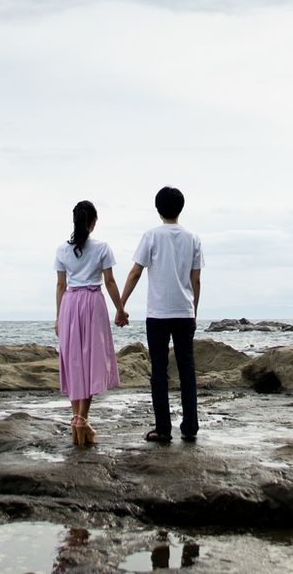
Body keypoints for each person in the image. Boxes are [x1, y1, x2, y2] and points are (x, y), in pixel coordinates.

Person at [119, 185, 203, 443]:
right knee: (187, 369)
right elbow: (196, 279)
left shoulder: (152, 236)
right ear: (180, 208)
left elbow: (135, 272)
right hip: (184, 311)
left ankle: (163, 429)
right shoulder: (193, 238)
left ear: (158, 209)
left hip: (158, 313)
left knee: (159, 370)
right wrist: (194, 311)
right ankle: (190, 426)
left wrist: (121, 305)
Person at [54, 199, 128, 446]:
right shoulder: (102, 248)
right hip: (93, 302)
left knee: (74, 361)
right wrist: (120, 309)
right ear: (93, 222)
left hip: (70, 304)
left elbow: (61, 285)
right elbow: (110, 281)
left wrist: (58, 318)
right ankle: (82, 419)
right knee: (90, 361)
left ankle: (77, 418)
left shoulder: (62, 250)